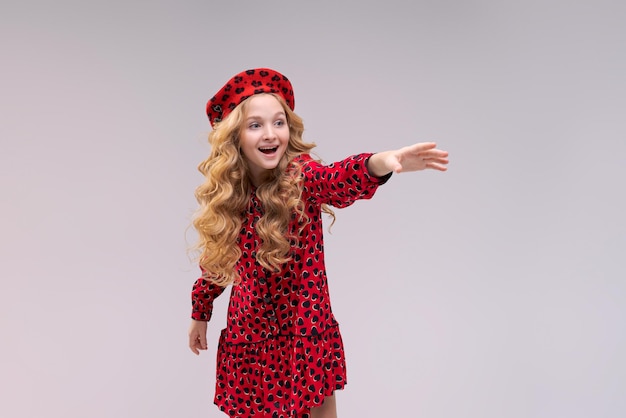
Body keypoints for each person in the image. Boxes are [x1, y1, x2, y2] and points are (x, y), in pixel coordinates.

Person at [188, 68, 449, 418]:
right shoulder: (231, 196)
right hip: (250, 339)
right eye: (255, 125)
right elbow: (217, 259)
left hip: (304, 333)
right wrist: (200, 311)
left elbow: (338, 179)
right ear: (234, 136)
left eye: (278, 122)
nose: (270, 134)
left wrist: (380, 163)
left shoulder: (302, 177)